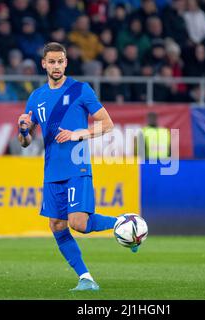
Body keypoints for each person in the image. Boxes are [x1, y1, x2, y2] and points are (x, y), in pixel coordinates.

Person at [16, 42, 129, 292]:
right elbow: (25, 142)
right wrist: (23, 129)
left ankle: (124, 222)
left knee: (78, 223)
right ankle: (86, 278)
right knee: (56, 224)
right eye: (52, 62)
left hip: (77, 166)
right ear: (43, 64)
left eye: (60, 61)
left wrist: (79, 134)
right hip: (51, 171)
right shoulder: (36, 97)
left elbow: (107, 124)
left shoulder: (80, 89)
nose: (56, 66)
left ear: (66, 63)